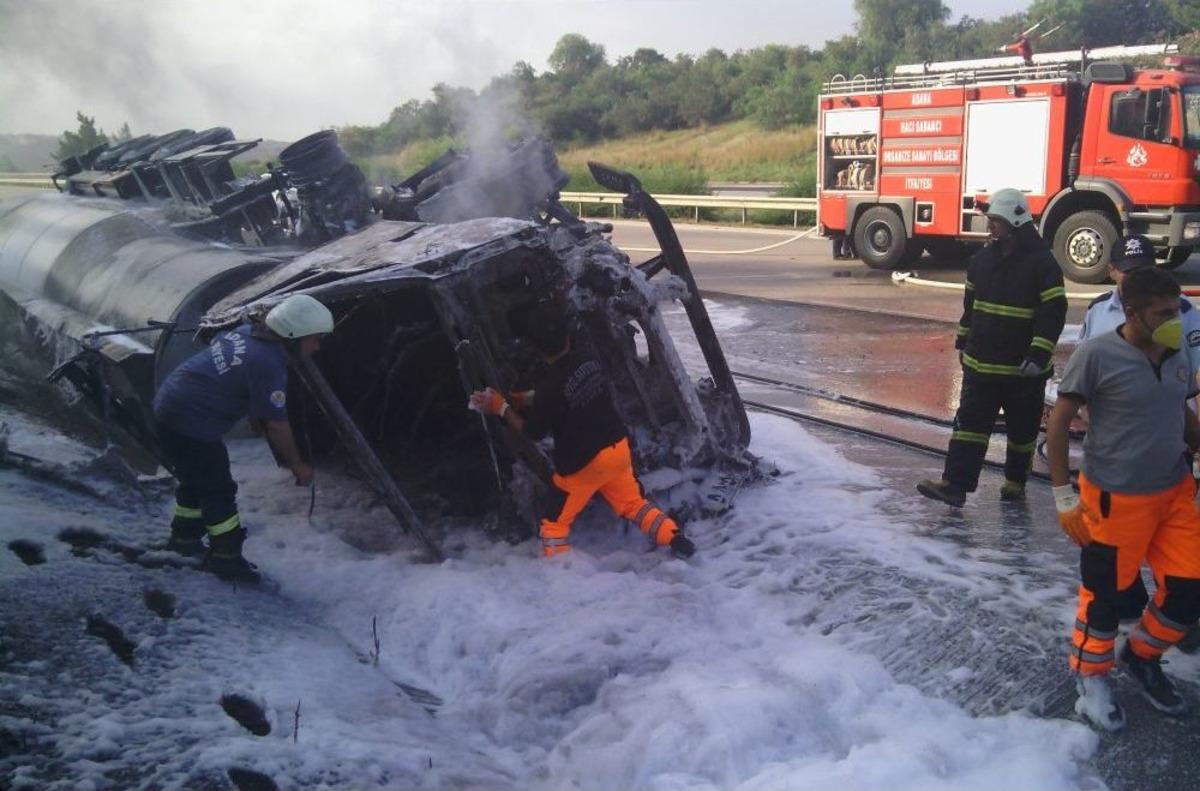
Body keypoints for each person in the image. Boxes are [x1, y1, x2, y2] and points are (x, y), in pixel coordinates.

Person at [1046, 266, 1200, 731]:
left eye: (1178, 309)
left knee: (1190, 590)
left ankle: (1142, 655)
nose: (1175, 318)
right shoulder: (1096, 355)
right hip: (1115, 501)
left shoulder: (1177, 352)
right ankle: (1091, 680)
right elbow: (1059, 422)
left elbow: (1180, 412)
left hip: (1174, 493)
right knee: (1105, 600)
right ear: (1132, 312)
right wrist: (1063, 495)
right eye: (1164, 312)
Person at [469, 303, 695, 559]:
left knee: (554, 525)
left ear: (536, 348)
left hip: (583, 467)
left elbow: (533, 432)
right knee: (634, 505)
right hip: (617, 450)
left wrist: (502, 408)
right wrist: (533, 399)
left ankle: (563, 576)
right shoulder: (588, 360)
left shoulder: (548, 388)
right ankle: (674, 538)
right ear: (567, 337)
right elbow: (569, 390)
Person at [152, 294, 332, 582]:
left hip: (170, 406)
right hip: (191, 420)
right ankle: (226, 557)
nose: (317, 346)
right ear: (293, 336)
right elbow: (276, 424)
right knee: (218, 489)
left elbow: (232, 369)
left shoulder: (246, 332)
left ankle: (184, 540)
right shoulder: (268, 363)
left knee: (194, 478)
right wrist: (297, 464)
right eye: (315, 339)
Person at [917, 188, 1067, 507]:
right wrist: (962, 340)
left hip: (1023, 371)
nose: (991, 227)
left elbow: (1053, 313)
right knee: (969, 428)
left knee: (1022, 431)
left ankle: (1015, 481)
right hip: (981, 366)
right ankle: (955, 486)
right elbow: (971, 306)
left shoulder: (1043, 264)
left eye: (996, 221)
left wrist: (1038, 353)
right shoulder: (981, 261)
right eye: (991, 220)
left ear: (1016, 220)